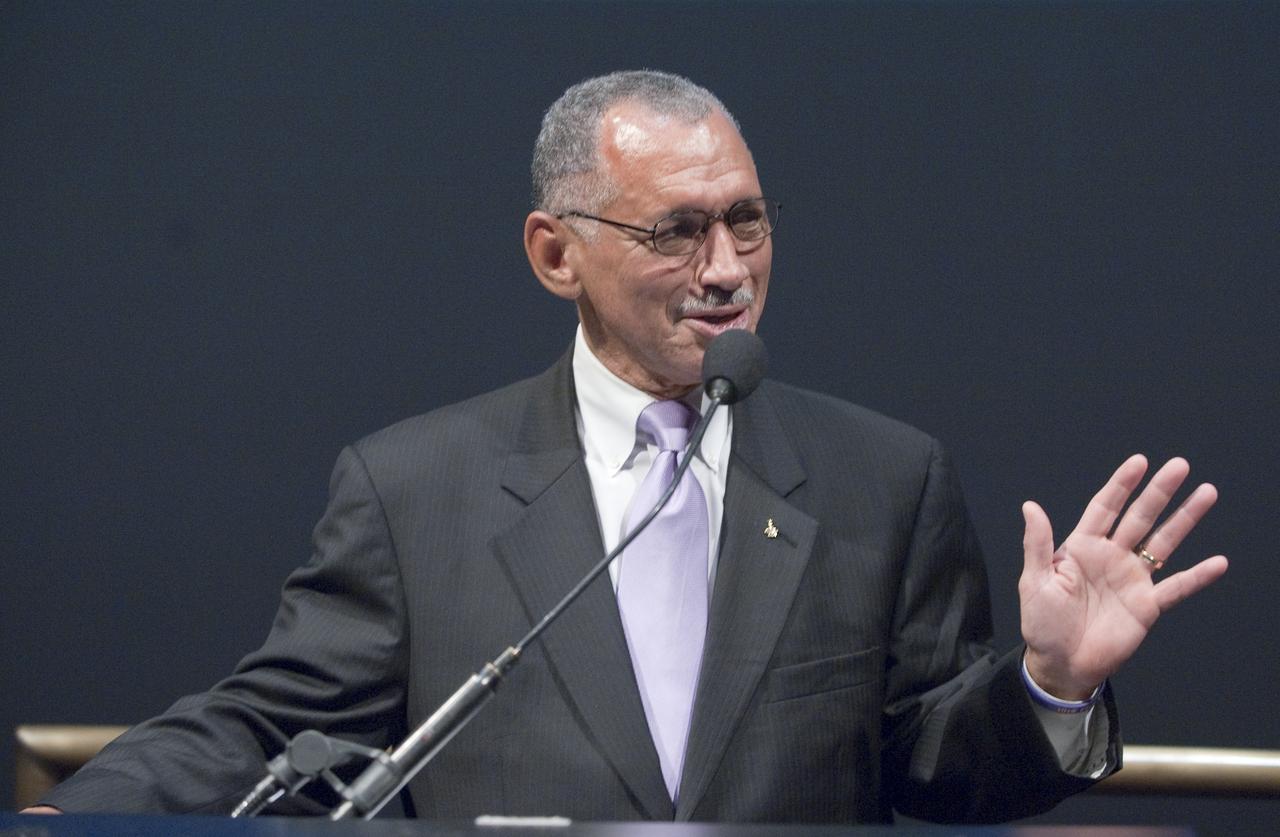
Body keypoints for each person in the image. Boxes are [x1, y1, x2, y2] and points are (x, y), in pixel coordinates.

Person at [26, 70, 1228, 823]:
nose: (725, 271)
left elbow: (940, 771)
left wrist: (1051, 684)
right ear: (557, 255)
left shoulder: (881, 476)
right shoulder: (414, 488)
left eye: (745, 222)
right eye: (676, 231)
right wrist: (79, 817)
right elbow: (269, 724)